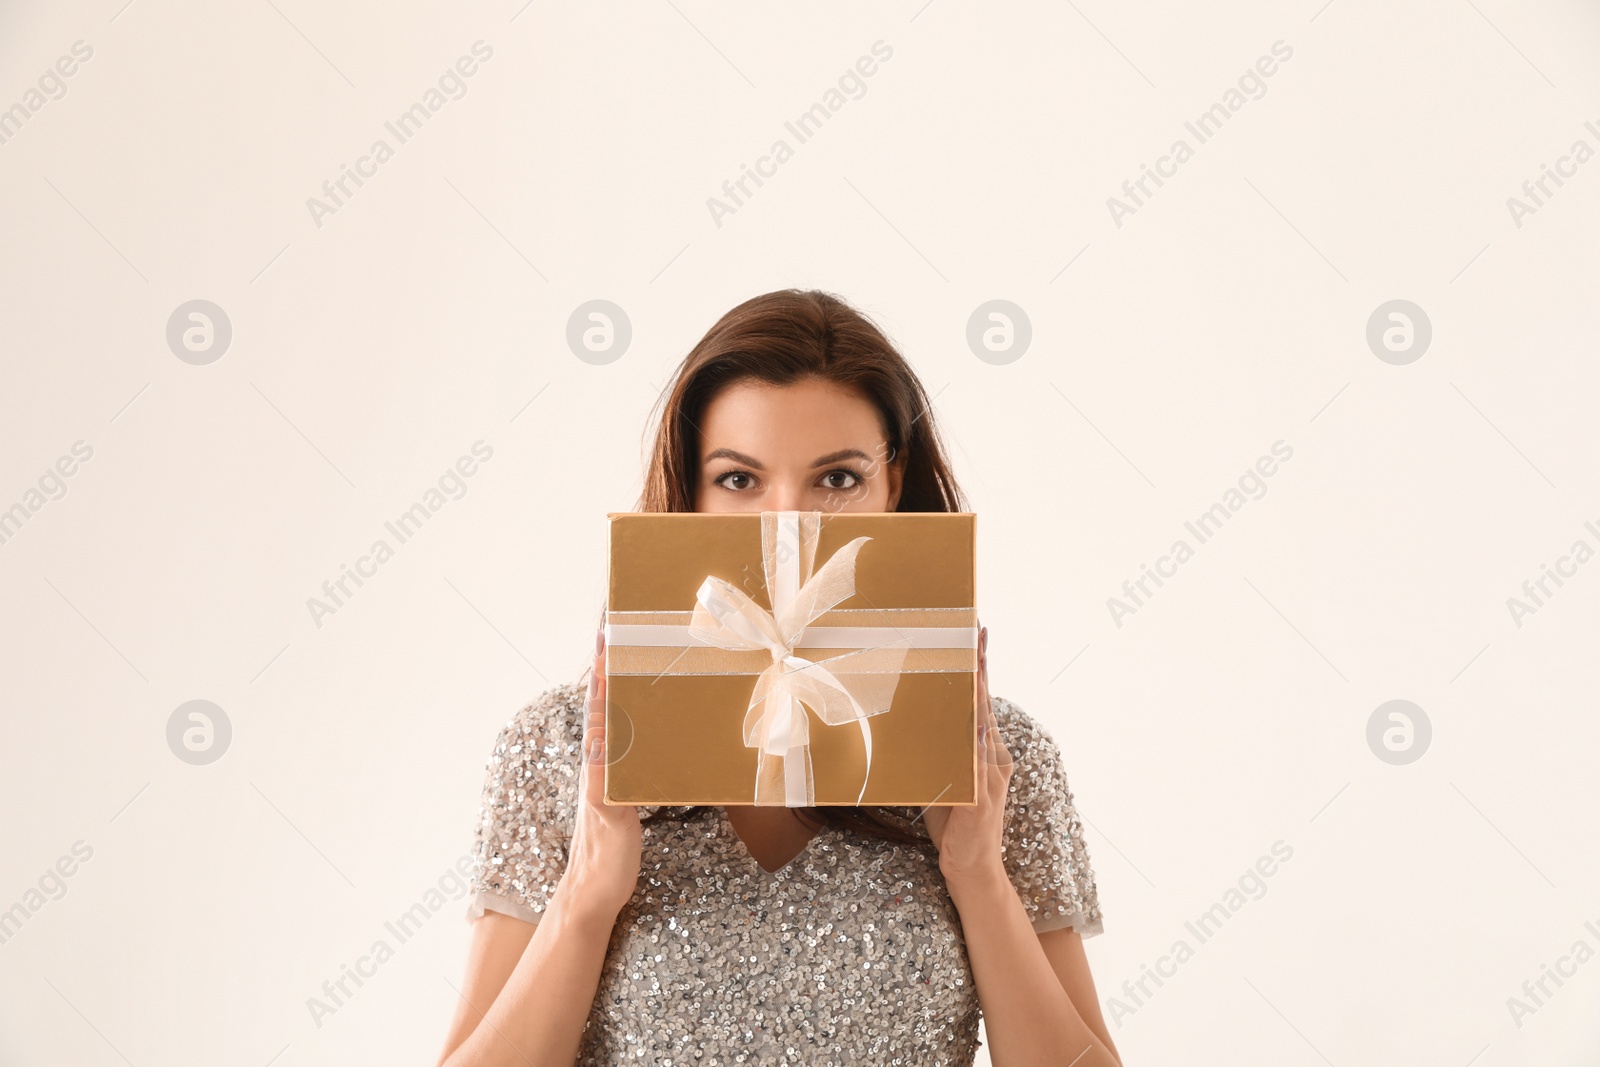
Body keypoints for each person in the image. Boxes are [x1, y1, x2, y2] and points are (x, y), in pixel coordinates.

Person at [435, 289, 1120, 1066]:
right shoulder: (560, 744)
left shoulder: (996, 757)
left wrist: (978, 875)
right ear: (688, 493)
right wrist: (590, 891)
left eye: (836, 479)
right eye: (739, 480)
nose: (787, 522)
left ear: (893, 489)